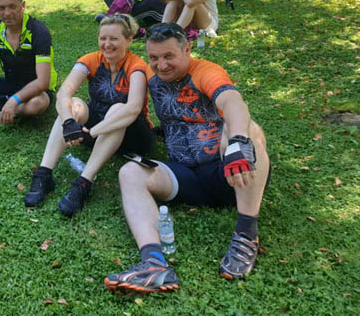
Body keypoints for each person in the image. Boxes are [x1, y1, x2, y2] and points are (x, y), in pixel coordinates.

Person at [104, 23, 270, 295]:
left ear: (187, 50)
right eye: (154, 57)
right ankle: (154, 264)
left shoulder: (204, 71)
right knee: (129, 172)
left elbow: (233, 102)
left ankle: (246, 235)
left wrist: (239, 140)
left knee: (250, 130)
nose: (161, 65)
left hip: (229, 173)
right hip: (185, 176)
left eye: (169, 56)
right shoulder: (149, 76)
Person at [24, 14, 155, 216]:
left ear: (128, 40)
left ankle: (84, 182)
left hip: (133, 135)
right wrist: (69, 122)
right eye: (103, 38)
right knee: (74, 103)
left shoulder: (136, 66)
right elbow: (64, 93)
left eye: (114, 38)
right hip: (97, 133)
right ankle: (44, 174)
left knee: (118, 109)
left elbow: (133, 108)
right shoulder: (91, 60)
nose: (107, 44)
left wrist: (92, 132)